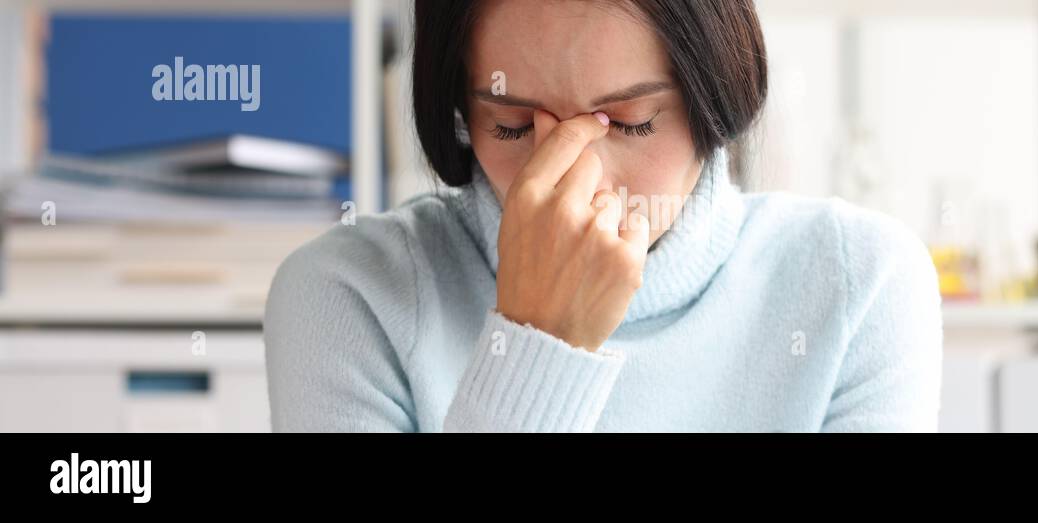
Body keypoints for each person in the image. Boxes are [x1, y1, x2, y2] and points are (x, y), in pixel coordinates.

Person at [264, 0, 942, 432]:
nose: (574, 179)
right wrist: (535, 343)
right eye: (510, 126)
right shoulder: (348, 296)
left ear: (715, 95)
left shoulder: (860, 283)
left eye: (630, 122)